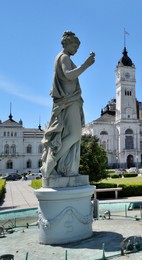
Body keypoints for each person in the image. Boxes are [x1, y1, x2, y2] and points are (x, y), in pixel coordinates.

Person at [40, 31, 95, 178]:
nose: (76, 49)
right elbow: (69, 75)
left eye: (78, 46)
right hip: (69, 102)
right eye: (75, 45)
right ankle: (50, 164)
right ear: (67, 43)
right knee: (75, 134)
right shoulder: (64, 57)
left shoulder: (64, 57)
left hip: (69, 101)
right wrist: (86, 65)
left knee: (72, 134)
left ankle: (61, 167)